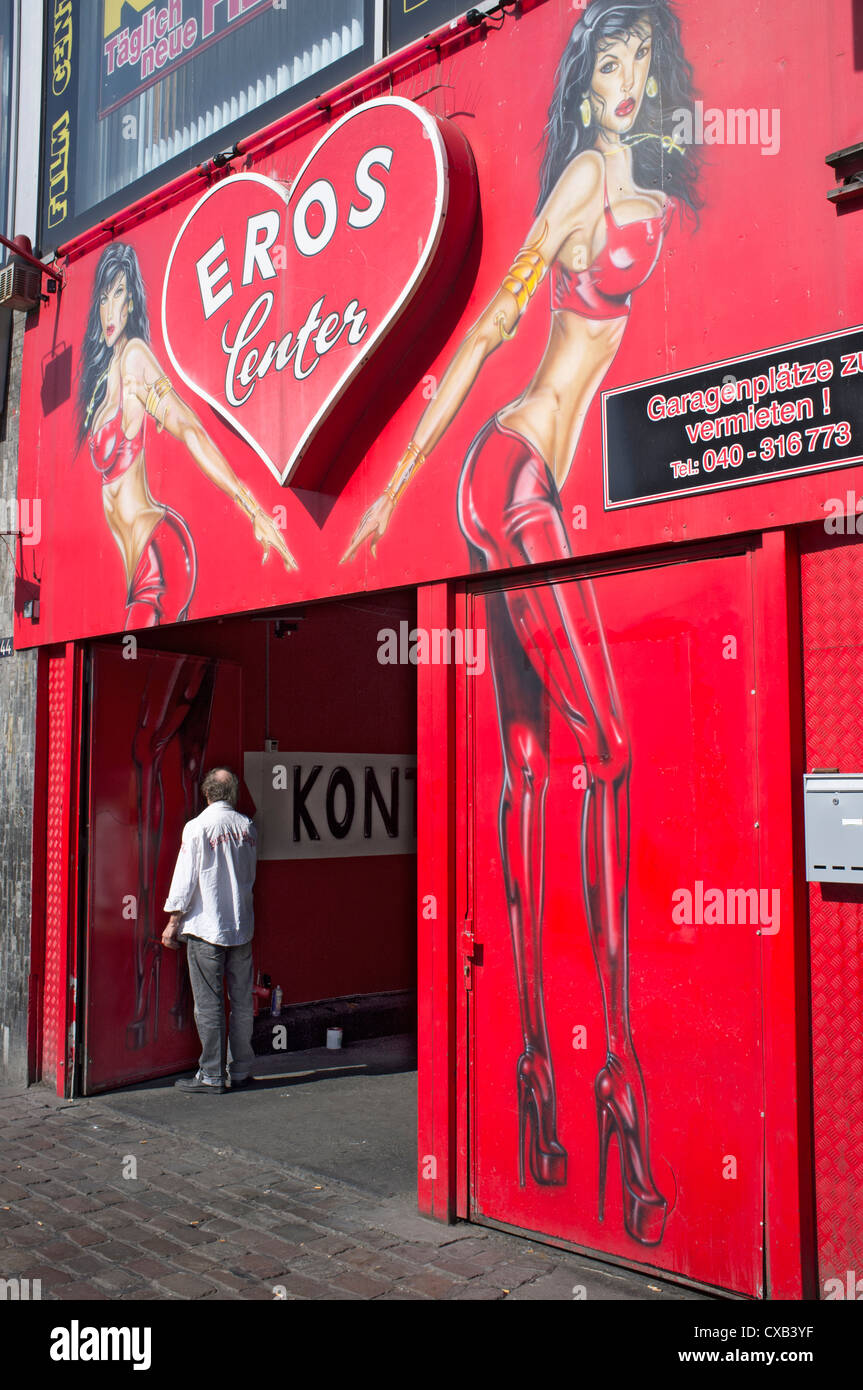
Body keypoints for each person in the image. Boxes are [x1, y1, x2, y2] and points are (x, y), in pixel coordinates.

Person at [343, 0, 700, 1245]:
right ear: (581, 81)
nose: (622, 79)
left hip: (526, 479)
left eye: (636, 60)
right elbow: (499, 322)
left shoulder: (645, 174)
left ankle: (539, 1078)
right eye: (604, 60)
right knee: (607, 753)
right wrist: (391, 483)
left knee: (534, 766)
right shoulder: (589, 177)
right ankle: (613, 1080)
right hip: (512, 474)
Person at [77, 241, 296, 631]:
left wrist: (254, 510)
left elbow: (191, 428)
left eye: (120, 293)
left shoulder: (135, 359)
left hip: (158, 554)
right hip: (135, 567)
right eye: (104, 297)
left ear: (131, 303)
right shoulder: (105, 375)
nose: (111, 308)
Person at [162, 767, 258, 1093]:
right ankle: (242, 1069)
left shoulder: (198, 827)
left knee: (209, 1004)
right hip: (242, 926)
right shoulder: (247, 828)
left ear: (206, 794)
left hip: (207, 928)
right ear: (232, 795)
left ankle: (212, 1075)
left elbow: (184, 879)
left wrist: (173, 922)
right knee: (242, 1001)